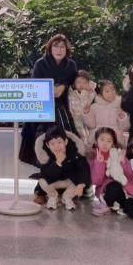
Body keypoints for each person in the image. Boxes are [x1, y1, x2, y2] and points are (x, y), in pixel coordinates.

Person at [21, 34, 79, 167]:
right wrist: (49, 89)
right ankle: (44, 169)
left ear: (66, 49)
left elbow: (75, 83)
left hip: (63, 107)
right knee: (41, 139)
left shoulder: (71, 65)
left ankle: (64, 168)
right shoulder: (41, 63)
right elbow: (34, 86)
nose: (59, 50)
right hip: (42, 108)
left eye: (62, 47)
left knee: (65, 139)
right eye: (55, 46)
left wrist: (64, 86)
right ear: (50, 48)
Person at [89, 127, 133, 220]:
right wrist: (99, 163)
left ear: (113, 144)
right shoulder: (93, 159)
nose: (105, 144)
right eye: (102, 140)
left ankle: (120, 206)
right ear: (96, 141)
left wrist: (123, 162)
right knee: (114, 185)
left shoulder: (118, 154)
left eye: (109, 141)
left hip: (127, 191)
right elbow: (96, 181)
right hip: (109, 192)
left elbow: (131, 176)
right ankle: (108, 205)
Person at [34, 126, 91, 210]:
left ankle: (67, 197)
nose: (56, 146)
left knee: (79, 181)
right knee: (42, 181)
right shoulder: (46, 156)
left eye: (59, 142)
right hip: (54, 183)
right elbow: (46, 175)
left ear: (66, 141)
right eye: (52, 143)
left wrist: (81, 184)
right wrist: (57, 163)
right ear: (48, 145)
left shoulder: (74, 154)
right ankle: (53, 197)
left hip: (69, 182)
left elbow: (83, 169)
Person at [83, 79, 129, 145]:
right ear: (100, 95)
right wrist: (87, 113)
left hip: (115, 140)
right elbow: (91, 125)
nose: (111, 93)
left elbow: (125, 127)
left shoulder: (119, 106)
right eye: (107, 91)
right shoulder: (94, 107)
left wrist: (122, 117)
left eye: (113, 90)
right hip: (98, 138)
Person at [68, 70, 96, 142]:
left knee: (90, 137)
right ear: (74, 84)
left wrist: (86, 91)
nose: (81, 85)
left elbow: (86, 103)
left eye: (84, 82)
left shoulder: (91, 94)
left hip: (88, 121)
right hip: (76, 121)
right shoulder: (71, 94)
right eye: (78, 82)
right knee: (80, 139)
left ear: (89, 83)